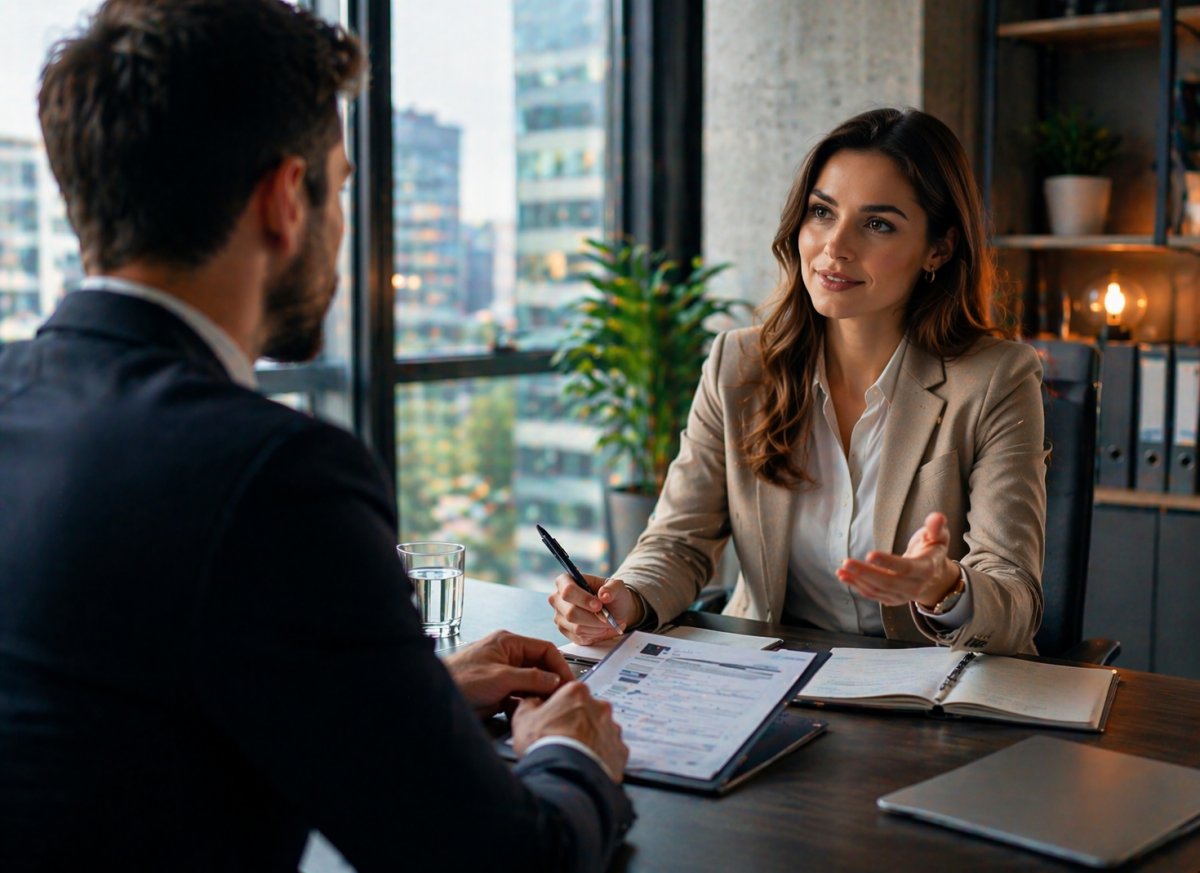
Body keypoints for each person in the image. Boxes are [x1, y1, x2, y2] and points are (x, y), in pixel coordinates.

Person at [0, 1, 633, 870]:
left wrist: (406, 703)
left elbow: (117, 735)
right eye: (338, 187)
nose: (342, 225)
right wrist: (574, 754)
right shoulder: (271, 474)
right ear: (283, 200)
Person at [551, 107, 1047, 657]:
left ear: (939, 248)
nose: (836, 247)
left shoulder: (997, 377)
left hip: (927, 693)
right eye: (821, 213)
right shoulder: (738, 365)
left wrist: (945, 588)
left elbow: (1014, 598)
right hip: (771, 678)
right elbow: (678, 540)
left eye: (877, 224)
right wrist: (627, 597)